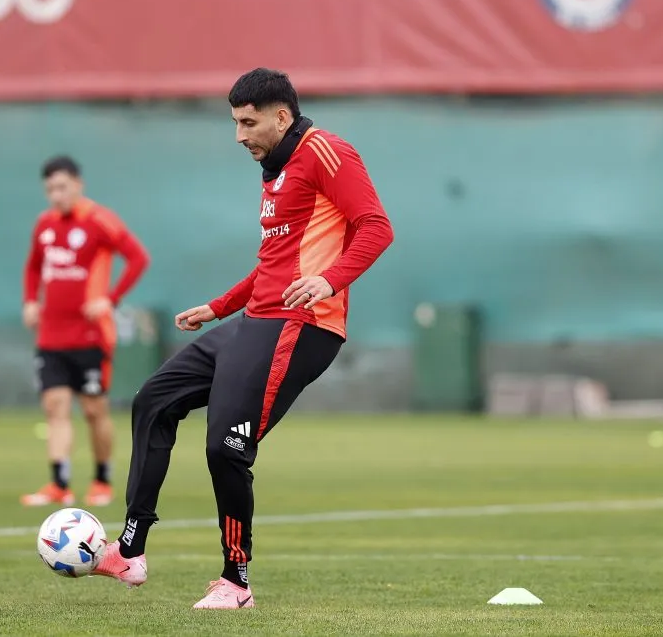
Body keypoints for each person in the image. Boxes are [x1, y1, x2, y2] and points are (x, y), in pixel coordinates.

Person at [92, 68, 394, 608]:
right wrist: (218, 307)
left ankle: (236, 582)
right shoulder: (273, 168)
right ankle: (130, 551)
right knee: (153, 400)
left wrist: (328, 281)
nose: (240, 136)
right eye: (235, 123)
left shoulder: (327, 151)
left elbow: (376, 227)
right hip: (255, 321)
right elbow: (274, 264)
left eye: (248, 123)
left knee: (225, 447)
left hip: (302, 327)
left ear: (282, 116)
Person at [20, 155, 150, 508]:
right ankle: (59, 483)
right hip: (51, 335)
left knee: (94, 410)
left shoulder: (100, 221)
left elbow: (138, 258)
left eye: (62, 187)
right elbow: (33, 268)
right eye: (50, 189)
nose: (56, 195)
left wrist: (110, 299)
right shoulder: (44, 225)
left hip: (91, 335)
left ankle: (102, 479)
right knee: (55, 407)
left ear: (78, 184)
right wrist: (31, 300)